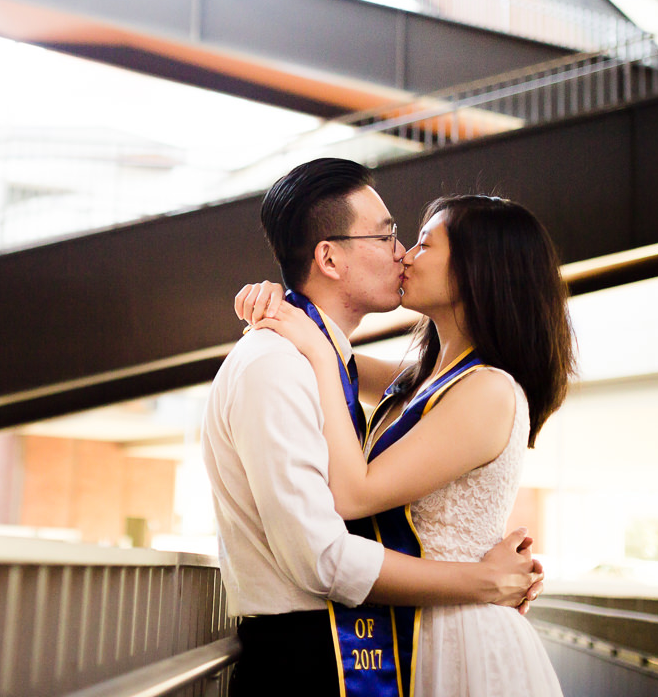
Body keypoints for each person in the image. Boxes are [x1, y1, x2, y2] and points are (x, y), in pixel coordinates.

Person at [205, 159, 543, 697]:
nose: (402, 252)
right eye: (387, 234)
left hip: (406, 638)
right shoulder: (283, 363)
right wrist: (479, 580)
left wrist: (303, 327)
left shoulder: (328, 360)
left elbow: (350, 491)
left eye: (417, 242)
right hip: (315, 647)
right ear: (330, 257)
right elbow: (321, 555)